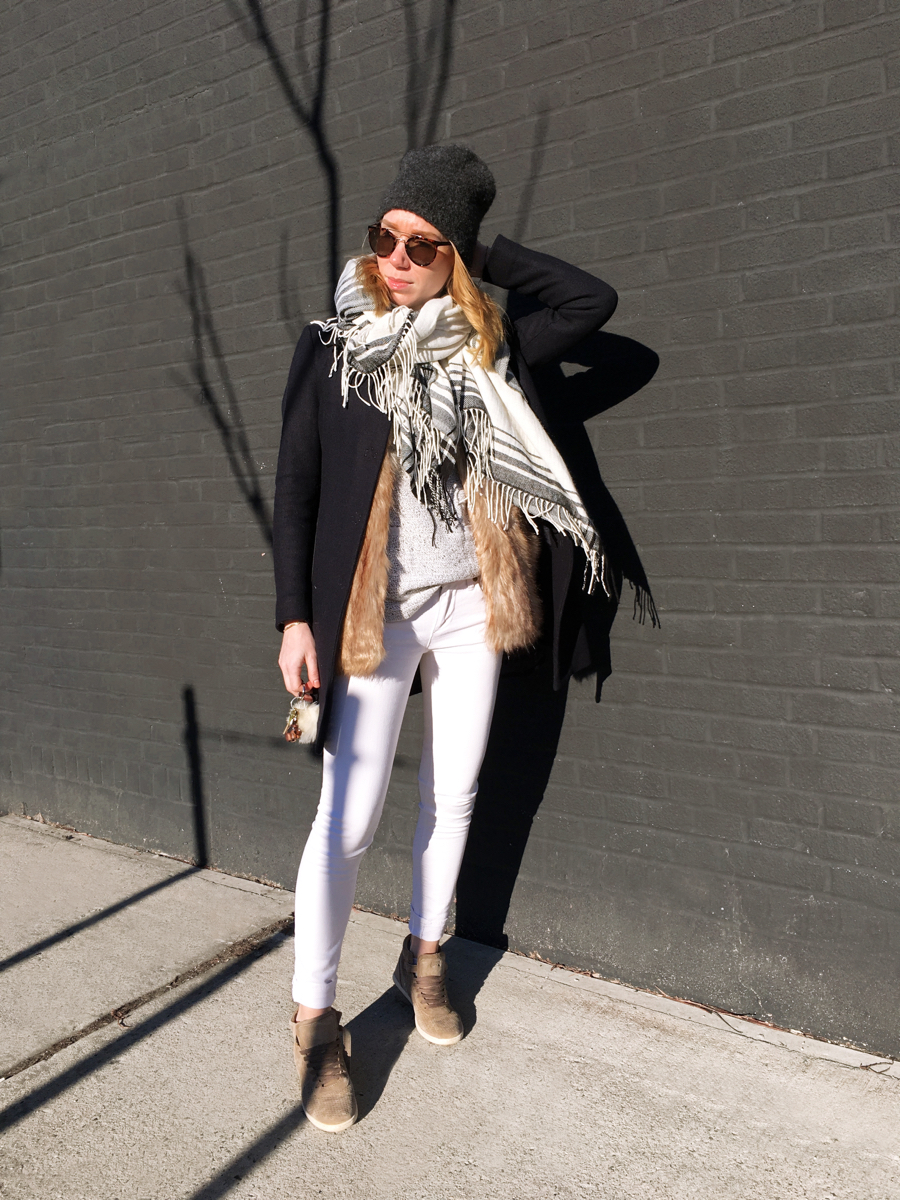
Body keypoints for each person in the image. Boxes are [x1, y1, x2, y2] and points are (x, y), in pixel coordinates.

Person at [272, 143, 646, 1133]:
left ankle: (425, 956)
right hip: (370, 617)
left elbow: (596, 308)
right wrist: (291, 618)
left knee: (457, 794)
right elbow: (297, 490)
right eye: (385, 235)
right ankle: (316, 1023)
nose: (395, 257)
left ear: (454, 255)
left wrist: (488, 254)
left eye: (422, 243)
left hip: (471, 605)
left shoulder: (493, 344)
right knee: (345, 820)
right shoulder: (332, 346)